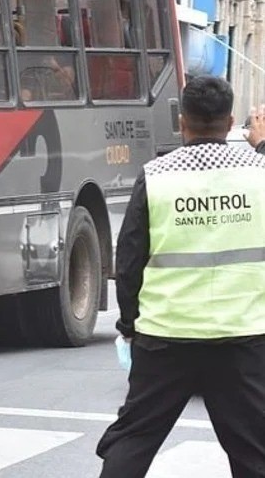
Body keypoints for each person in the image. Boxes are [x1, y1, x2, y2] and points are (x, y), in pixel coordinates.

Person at [96, 76, 265, 477]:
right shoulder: (259, 173)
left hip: (166, 336)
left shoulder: (157, 176)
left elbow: (130, 260)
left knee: (134, 439)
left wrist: (129, 325)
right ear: (229, 124)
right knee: (254, 451)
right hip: (243, 336)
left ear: (182, 122)